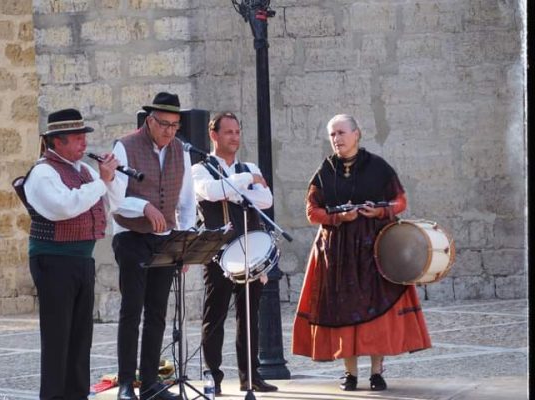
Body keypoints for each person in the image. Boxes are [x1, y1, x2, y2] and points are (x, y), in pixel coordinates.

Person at [291, 114, 432, 392]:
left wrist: (380, 211)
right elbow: (311, 212)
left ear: (357, 134)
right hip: (337, 251)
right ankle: (350, 373)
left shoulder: (378, 167)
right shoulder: (325, 171)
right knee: (343, 309)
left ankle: (377, 372)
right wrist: (337, 218)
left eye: (342, 133)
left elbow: (400, 200)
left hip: (373, 248)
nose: (337, 139)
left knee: (376, 310)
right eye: (332, 135)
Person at [18, 108, 124, 399]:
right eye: (77, 138)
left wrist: (111, 179)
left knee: (80, 336)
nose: (84, 144)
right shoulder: (43, 173)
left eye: (83, 137)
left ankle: (77, 395)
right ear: (57, 142)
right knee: (57, 336)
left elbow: (113, 203)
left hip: (81, 260)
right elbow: (64, 207)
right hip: (53, 260)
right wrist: (101, 182)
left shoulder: (85, 171)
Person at [111, 92, 196, 400]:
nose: (169, 131)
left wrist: (185, 243)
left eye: (175, 125)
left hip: (165, 240)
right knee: (132, 309)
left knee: (158, 312)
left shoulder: (181, 151)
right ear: (149, 121)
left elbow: (187, 202)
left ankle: (149, 382)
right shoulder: (125, 146)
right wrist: (144, 207)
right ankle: (124, 383)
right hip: (130, 235)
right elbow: (116, 199)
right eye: (163, 124)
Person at [191, 111, 279, 394]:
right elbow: (210, 192)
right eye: (228, 132)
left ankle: (250, 376)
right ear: (214, 135)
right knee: (214, 316)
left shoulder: (248, 165)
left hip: (249, 252)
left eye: (238, 132)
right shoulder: (200, 169)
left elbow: (266, 200)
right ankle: (212, 377)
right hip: (217, 253)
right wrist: (246, 182)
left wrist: (237, 188)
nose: (235, 137)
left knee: (249, 317)